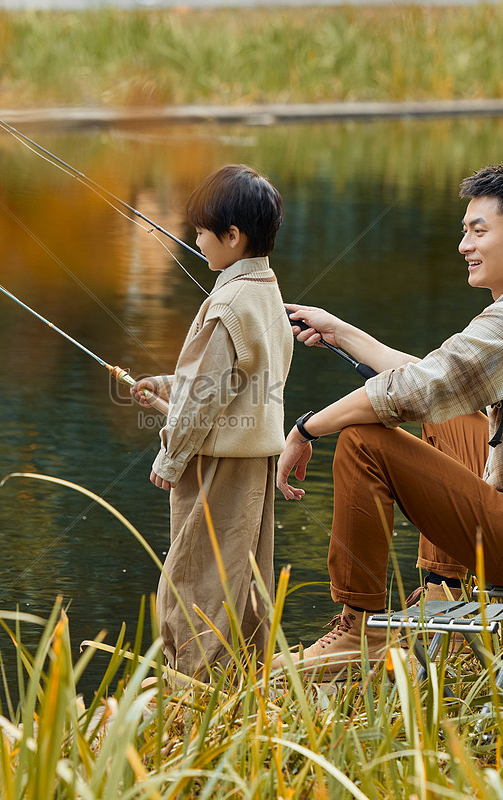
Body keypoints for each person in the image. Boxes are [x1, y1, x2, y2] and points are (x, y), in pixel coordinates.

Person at [277, 162, 503, 674]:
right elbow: (437, 381)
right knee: (449, 417)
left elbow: (416, 390)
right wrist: (341, 331)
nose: (465, 245)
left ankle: (358, 628)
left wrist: (306, 428)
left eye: (479, 231)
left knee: (366, 440)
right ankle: (442, 595)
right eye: (465, 231)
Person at [131, 164, 293, 679]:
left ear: (232, 236)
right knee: (245, 578)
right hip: (256, 462)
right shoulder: (267, 293)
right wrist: (166, 385)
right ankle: (244, 681)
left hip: (216, 466)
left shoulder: (225, 305)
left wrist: (171, 456)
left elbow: (206, 396)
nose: (195, 240)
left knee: (196, 577)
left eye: (202, 231)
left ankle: (190, 690)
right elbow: (231, 384)